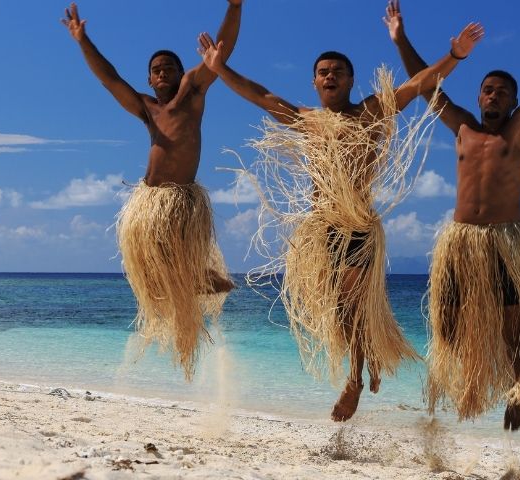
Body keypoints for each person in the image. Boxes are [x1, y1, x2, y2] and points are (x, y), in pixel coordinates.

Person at [197, 20, 484, 421]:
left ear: (351, 79)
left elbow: (419, 83)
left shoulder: (370, 112)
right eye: (323, 72)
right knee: (338, 310)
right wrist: (219, 68)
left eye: (337, 71)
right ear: (314, 82)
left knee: (351, 307)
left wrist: (455, 56)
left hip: (359, 227)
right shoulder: (305, 120)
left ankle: (355, 380)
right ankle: (373, 354)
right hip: (322, 229)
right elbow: (260, 95)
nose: (330, 76)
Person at [385, 0, 520, 430]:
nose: (493, 95)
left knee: (513, 321)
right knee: (445, 314)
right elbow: (425, 86)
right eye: (487, 89)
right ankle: (464, 376)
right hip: (460, 240)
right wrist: (401, 38)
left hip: (506, 240)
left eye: (502, 90)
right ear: (478, 96)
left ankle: (517, 389)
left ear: (515, 100)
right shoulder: (462, 125)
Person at [62, 1, 242, 381]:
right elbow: (110, 79)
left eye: (169, 68)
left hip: (182, 200)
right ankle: (196, 287)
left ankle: (201, 280)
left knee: (174, 268)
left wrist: (234, 7)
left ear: (179, 73)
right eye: (156, 70)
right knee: (154, 273)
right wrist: (83, 40)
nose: (162, 73)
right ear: (149, 80)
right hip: (150, 201)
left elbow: (220, 51)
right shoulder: (147, 108)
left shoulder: (191, 94)